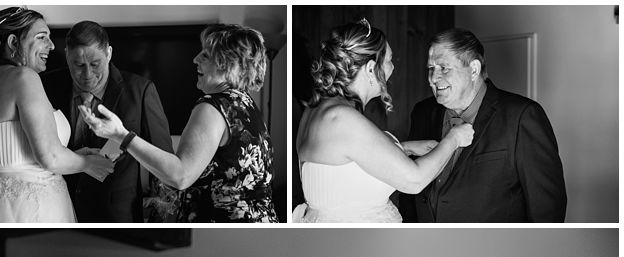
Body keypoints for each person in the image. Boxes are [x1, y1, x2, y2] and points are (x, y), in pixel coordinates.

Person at [81, 24, 278, 222]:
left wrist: (121, 135)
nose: (195, 59)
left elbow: (180, 176)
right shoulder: (246, 104)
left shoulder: (212, 108)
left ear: (227, 64)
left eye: (206, 55)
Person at [293, 19, 473, 223]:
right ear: (371, 69)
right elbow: (414, 180)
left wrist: (404, 148)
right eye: (388, 61)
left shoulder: (316, 109)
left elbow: (342, 166)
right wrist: (454, 138)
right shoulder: (343, 119)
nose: (392, 68)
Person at [0, 8, 114, 223]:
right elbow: (49, 158)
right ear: (14, 42)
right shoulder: (24, 77)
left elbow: (12, 158)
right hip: (32, 209)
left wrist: (76, 155)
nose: (51, 46)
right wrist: (89, 164)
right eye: (42, 37)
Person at [402, 28, 567, 223]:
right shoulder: (422, 112)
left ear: (474, 69)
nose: (433, 78)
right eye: (431, 68)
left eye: (443, 68)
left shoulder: (522, 116)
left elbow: (547, 209)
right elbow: (409, 191)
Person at [41, 20, 172, 222]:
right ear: (67, 55)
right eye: (78, 65)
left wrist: (160, 210)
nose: (87, 74)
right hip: (57, 206)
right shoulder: (45, 85)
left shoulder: (141, 91)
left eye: (95, 64)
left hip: (117, 214)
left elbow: (163, 157)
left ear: (109, 53)